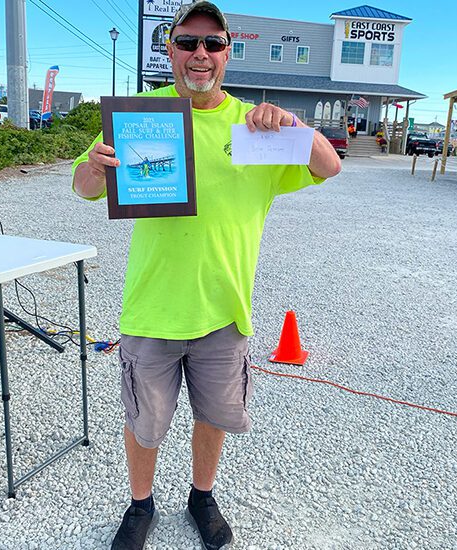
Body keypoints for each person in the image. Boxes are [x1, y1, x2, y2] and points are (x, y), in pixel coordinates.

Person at [71, 2, 341, 549]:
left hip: (225, 308)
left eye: (213, 44)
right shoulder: (137, 115)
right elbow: (85, 187)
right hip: (152, 307)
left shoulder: (254, 127)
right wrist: (94, 167)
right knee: (145, 421)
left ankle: (202, 495)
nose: (200, 54)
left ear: (227, 52)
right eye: (188, 42)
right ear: (169, 50)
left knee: (213, 415)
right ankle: (140, 504)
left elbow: (328, 165)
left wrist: (294, 124)